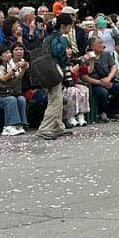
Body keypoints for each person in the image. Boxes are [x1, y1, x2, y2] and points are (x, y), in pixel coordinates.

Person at [38, 12, 77, 141]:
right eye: (70, 26)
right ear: (64, 26)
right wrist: (65, 41)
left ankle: (58, 127)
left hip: (49, 71)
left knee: (57, 99)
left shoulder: (50, 36)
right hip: (53, 72)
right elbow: (57, 52)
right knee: (55, 101)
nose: (70, 28)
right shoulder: (59, 37)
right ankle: (45, 128)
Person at [81, 37, 119, 121]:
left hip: (107, 80)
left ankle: (115, 112)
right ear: (93, 46)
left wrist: (109, 77)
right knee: (103, 93)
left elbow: (114, 67)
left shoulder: (107, 54)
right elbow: (84, 77)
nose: (103, 45)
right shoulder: (86, 58)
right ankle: (102, 112)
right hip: (94, 83)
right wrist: (99, 82)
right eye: (100, 43)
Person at [0, 43, 29, 136]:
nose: (9, 54)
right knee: (11, 100)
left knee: (21, 99)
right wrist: (15, 68)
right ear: (0, 56)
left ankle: (20, 125)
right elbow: (3, 78)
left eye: (9, 52)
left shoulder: (10, 64)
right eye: (6, 52)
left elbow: (18, 77)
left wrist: (24, 69)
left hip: (6, 93)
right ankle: (9, 126)